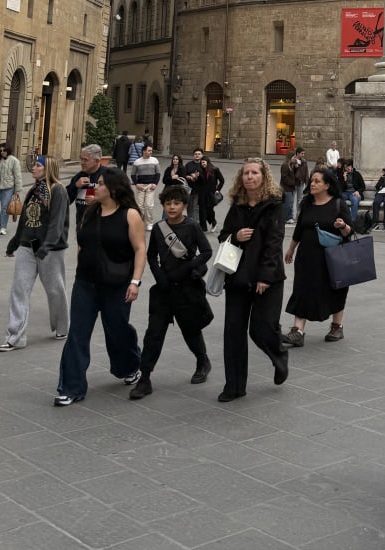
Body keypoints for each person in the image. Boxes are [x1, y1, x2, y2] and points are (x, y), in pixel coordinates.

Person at [54, 167, 146, 406]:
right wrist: (81, 266)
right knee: (78, 334)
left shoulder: (130, 215)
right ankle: (71, 387)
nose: (97, 186)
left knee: (117, 330)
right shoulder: (90, 211)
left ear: (115, 188)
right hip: (86, 283)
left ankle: (129, 366)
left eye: (103, 183)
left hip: (117, 285)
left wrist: (135, 282)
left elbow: (140, 249)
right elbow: (82, 243)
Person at [129, 183, 212, 399]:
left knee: (190, 329)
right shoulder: (158, 228)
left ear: (184, 205)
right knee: (153, 334)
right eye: (168, 204)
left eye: (176, 203)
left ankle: (202, 360)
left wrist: (189, 268)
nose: (172, 207)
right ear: (163, 206)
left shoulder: (192, 227)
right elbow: (151, 255)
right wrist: (159, 276)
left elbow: (206, 252)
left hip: (186, 288)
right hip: (164, 289)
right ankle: (145, 377)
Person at [216, 158, 288, 401]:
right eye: (246, 173)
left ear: (263, 176)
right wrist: (235, 236)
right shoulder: (237, 205)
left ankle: (279, 355)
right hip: (237, 277)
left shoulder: (274, 205)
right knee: (233, 332)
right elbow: (223, 235)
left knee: (263, 329)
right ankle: (234, 385)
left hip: (267, 278)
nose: (249, 177)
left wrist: (265, 277)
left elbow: (274, 242)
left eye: (254, 173)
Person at [0, 155, 69, 350]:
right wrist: (13, 243)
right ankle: (15, 336)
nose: (34, 167)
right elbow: (24, 221)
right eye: (35, 164)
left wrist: (47, 246)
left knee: (55, 289)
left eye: (38, 165)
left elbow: (57, 222)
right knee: (19, 290)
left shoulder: (58, 191)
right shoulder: (33, 190)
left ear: (48, 169)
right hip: (27, 246)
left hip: (50, 249)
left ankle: (62, 326)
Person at [283, 168, 353, 345]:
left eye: (317, 181)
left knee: (335, 289)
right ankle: (297, 331)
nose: (312, 184)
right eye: (312, 181)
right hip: (306, 256)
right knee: (301, 289)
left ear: (327, 185)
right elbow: (299, 229)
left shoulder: (338, 204)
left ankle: (337, 326)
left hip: (331, 258)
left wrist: (342, 225)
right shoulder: (306, 203)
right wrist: (291, 249)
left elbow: (349, 233)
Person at [0, 142, 23, 237]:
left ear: (8, 150)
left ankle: (3, 227)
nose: (2, 152)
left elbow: (18, 176)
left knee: (4, 208)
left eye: (4, 150)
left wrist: (17, 190)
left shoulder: (14, 161)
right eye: (1, 150)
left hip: (8, 187)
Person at [68, 144, 104, 227]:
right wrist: (75, 186)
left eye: (86, 160)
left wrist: (97, 199)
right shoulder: (78, 177)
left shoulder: (107, 175)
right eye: (81, 159)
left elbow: (117, 201)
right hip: (81, 224)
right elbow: (66, 200)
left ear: (97, 161)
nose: (82, 163)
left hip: (100, 225)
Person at [130, 142, 161, 229]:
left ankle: (149, 222)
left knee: (148, 205)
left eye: (151, 150)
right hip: (140, 185)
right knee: (140, 205)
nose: (151, 152)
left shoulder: (155, 160)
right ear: (144, 151)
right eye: (149, 150)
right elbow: (133, 174)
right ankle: (140, 222)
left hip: (150, 185)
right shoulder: (137, 162)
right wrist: (136, 184)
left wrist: (155, 183)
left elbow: (158, 173)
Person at [198, 156, 224, 231]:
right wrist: (196, 177)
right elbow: (199, 183)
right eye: (201, 162)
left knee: (209, 211)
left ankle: (213, 222)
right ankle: (203, 227)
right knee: (202, 211)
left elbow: (222, 180)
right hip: (202, 193)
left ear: (207, 162)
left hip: (211, 194)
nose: (202, 164)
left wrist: (218, 190)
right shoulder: (199, 171)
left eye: (203, 162)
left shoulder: (215, 170)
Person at [182, 149, 206, 223]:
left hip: (199, 190)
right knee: (189, 207)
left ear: (202, 155)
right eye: (195, 154)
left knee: (196, 207)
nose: (197, 155)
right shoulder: (189, 164)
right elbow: (183, 174)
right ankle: (190, 221)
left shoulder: (203, 165)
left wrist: (197, 176)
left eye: (199, 154)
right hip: (189, 189)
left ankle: (196, 223)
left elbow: (207, 177)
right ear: (193, 155)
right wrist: (189, 177)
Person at [280, 152, 299, 225]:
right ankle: (285, 218)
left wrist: (296, 167)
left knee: (290, 203)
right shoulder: (285, 166)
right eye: (293, 157)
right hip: (286, 188)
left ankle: (289, 217)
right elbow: (284, 177)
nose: (294, 159)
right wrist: (292, 183)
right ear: (289, 157)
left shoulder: (291, 165)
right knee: (287, 203)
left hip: (290, 188)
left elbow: (294, 175)